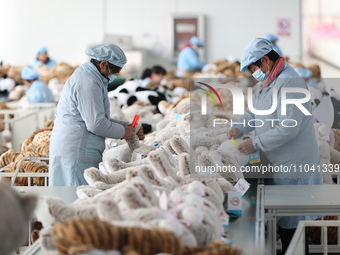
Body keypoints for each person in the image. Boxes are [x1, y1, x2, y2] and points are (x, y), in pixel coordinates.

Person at [227, 38, 322, 254]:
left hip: (294, 164)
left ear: (266, 60)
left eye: (254, 68)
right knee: (284, 222)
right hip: (277, 161)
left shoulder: (291, 82)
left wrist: (256, 143)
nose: (254, 73)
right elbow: (254, 112)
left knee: (295, 228)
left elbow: (289, 127)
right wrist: (239, 128)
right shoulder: (268, 82)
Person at [49, 44, 143, 186]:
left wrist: (127, 127)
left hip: (78, 147)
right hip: (76, 150)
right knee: (77, 199)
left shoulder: (92, 77)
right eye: (114, 71)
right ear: (104, 64)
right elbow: (96, 124)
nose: (114, 75)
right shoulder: (88, 82)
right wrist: (124, 132)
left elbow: (98, 118)